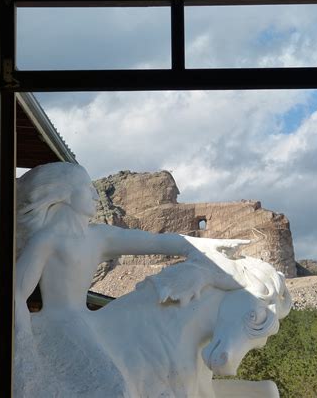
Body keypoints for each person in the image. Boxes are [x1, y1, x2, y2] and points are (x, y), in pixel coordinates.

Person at [14, 162, 248, 397]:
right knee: (112, 386)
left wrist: (207, 246)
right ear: (64, 194)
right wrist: (22, 343)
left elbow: (155, 242)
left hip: (90, 322)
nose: (96, 195)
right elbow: (16, 293)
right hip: (60, 326)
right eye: (87, 188)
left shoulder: (100, 236)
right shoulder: (47, 240)